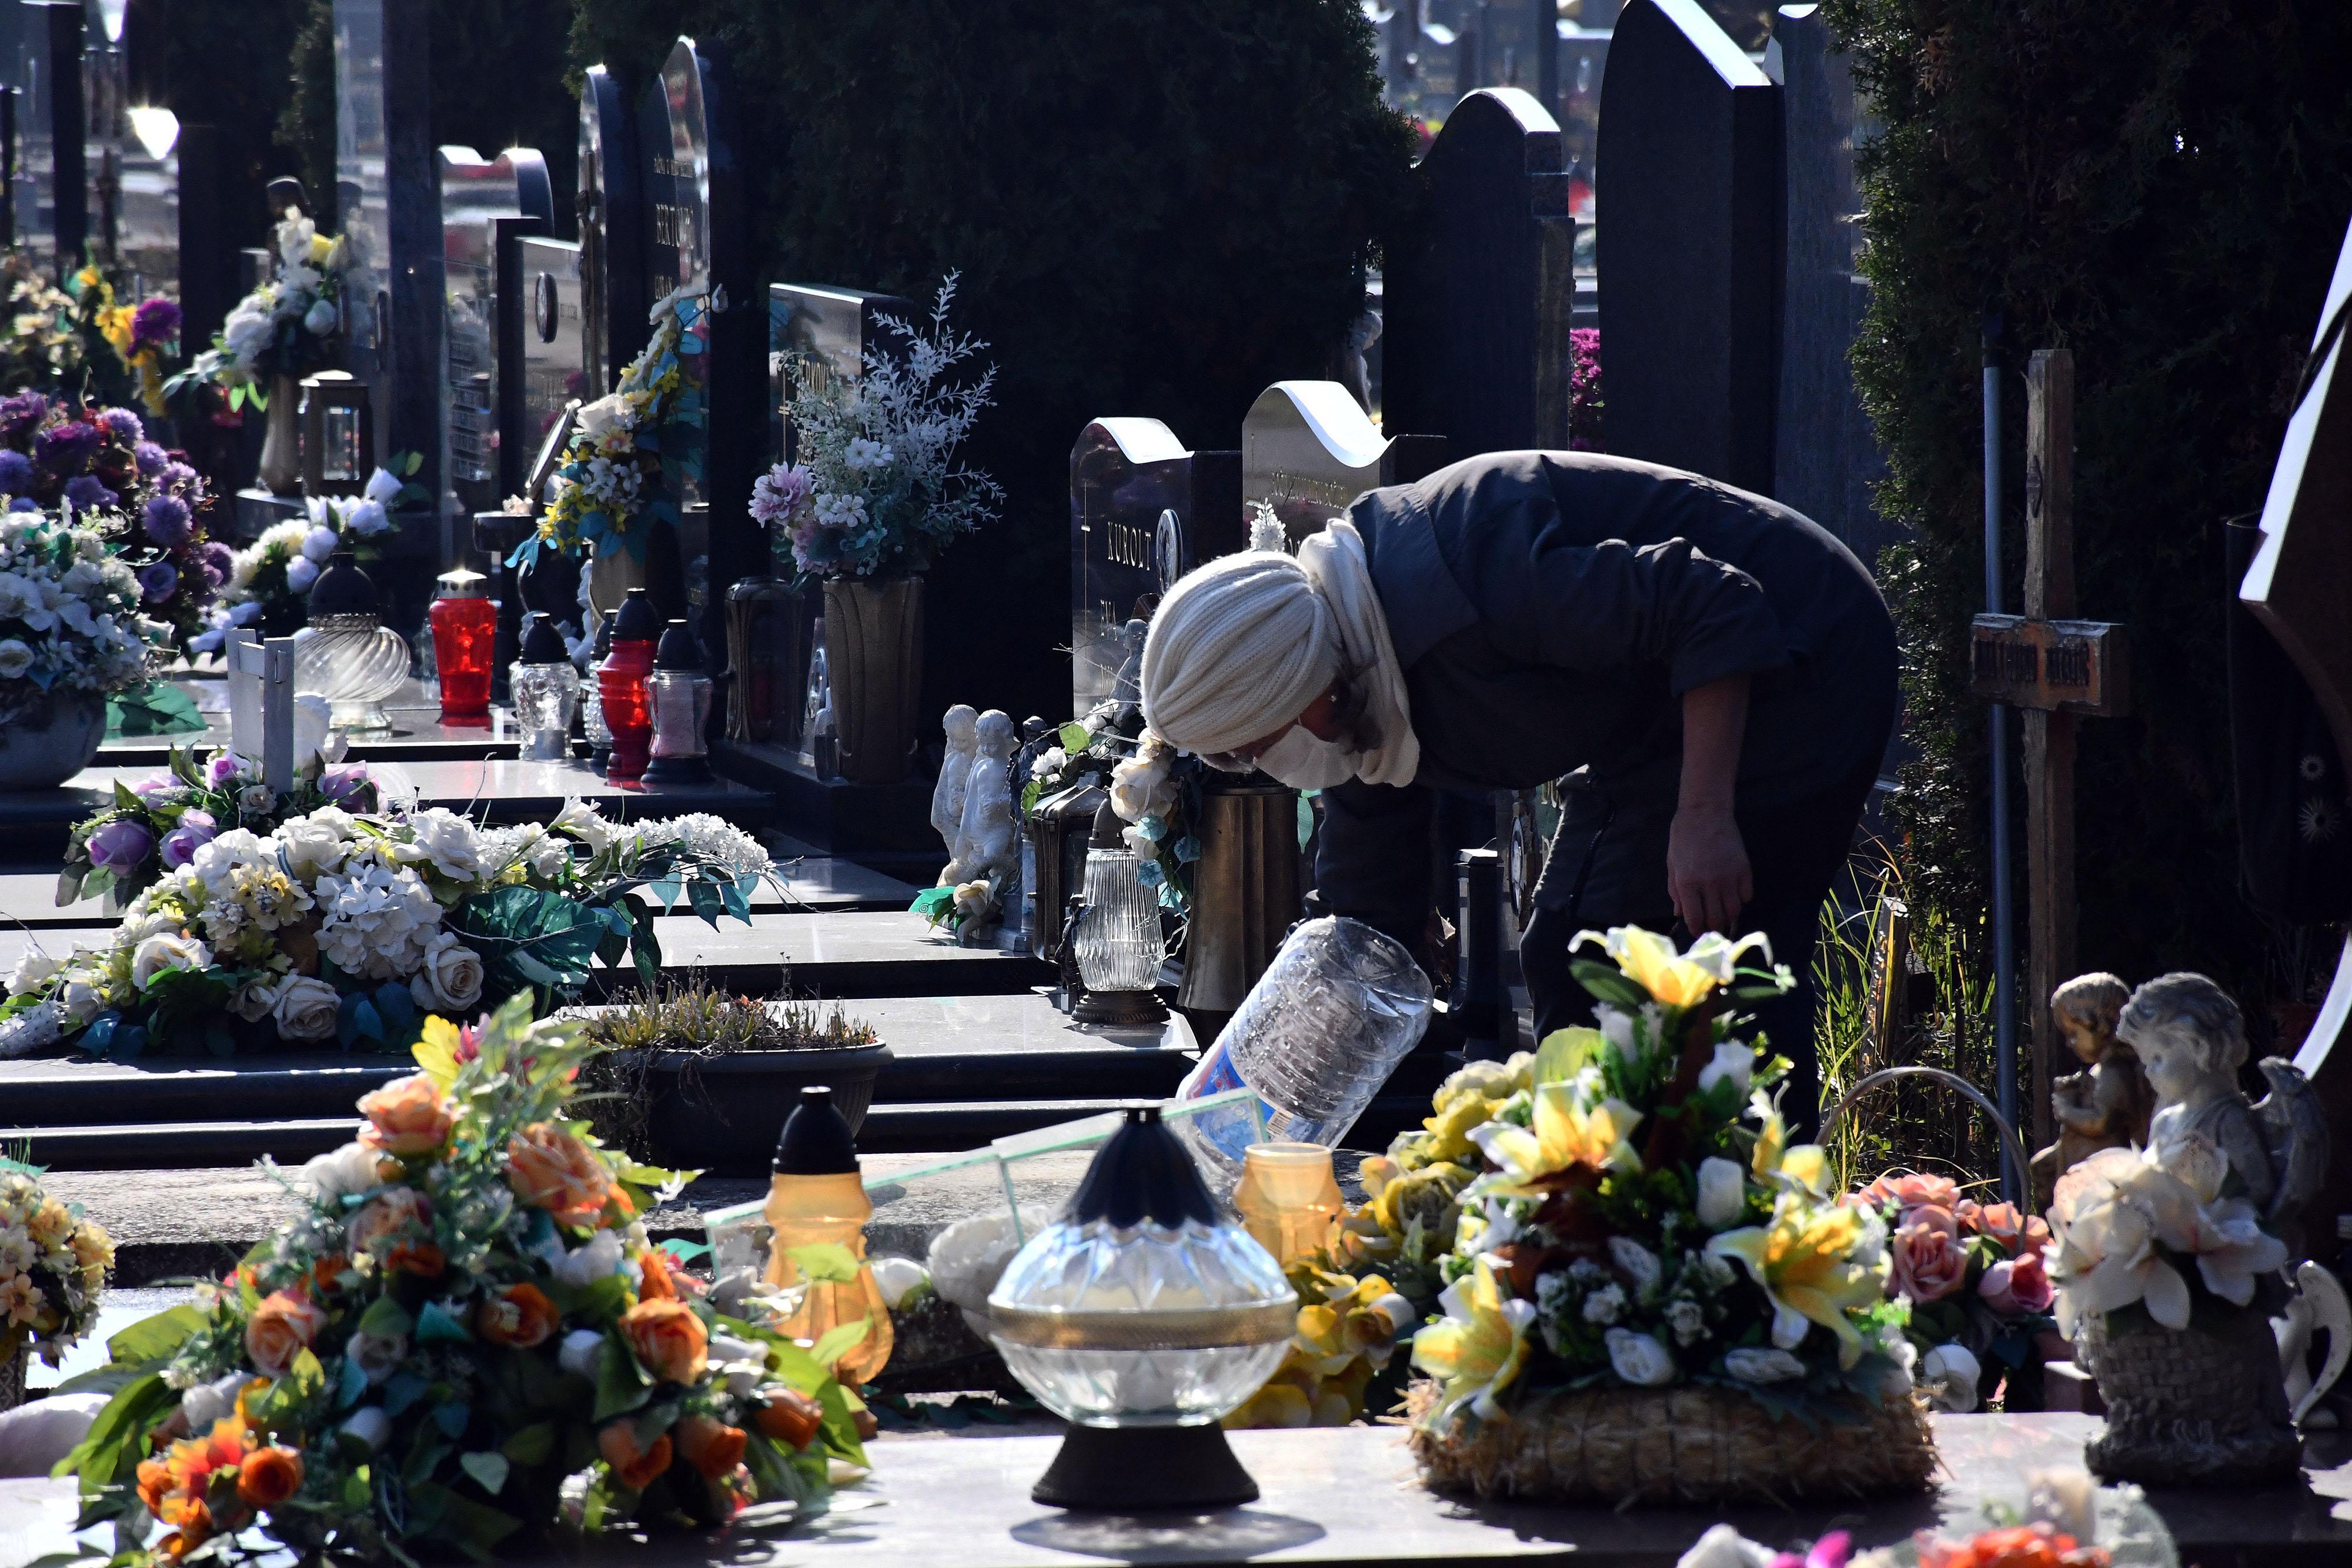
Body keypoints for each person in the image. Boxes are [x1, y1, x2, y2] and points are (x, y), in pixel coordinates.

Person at [1140, 450, 1897, 1124]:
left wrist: (1704, 815)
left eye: (1260, 742)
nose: (1269, 765)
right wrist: (1272, 1106)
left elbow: (1711, 604)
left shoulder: (1476, 581)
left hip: (1795, 653)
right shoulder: (1355, 663)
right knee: (1576, 954)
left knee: (1698, 962)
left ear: (1300, 682)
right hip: (1653, 710)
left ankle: (1753, 1232)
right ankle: (1610, 1232)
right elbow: (1368, 915)